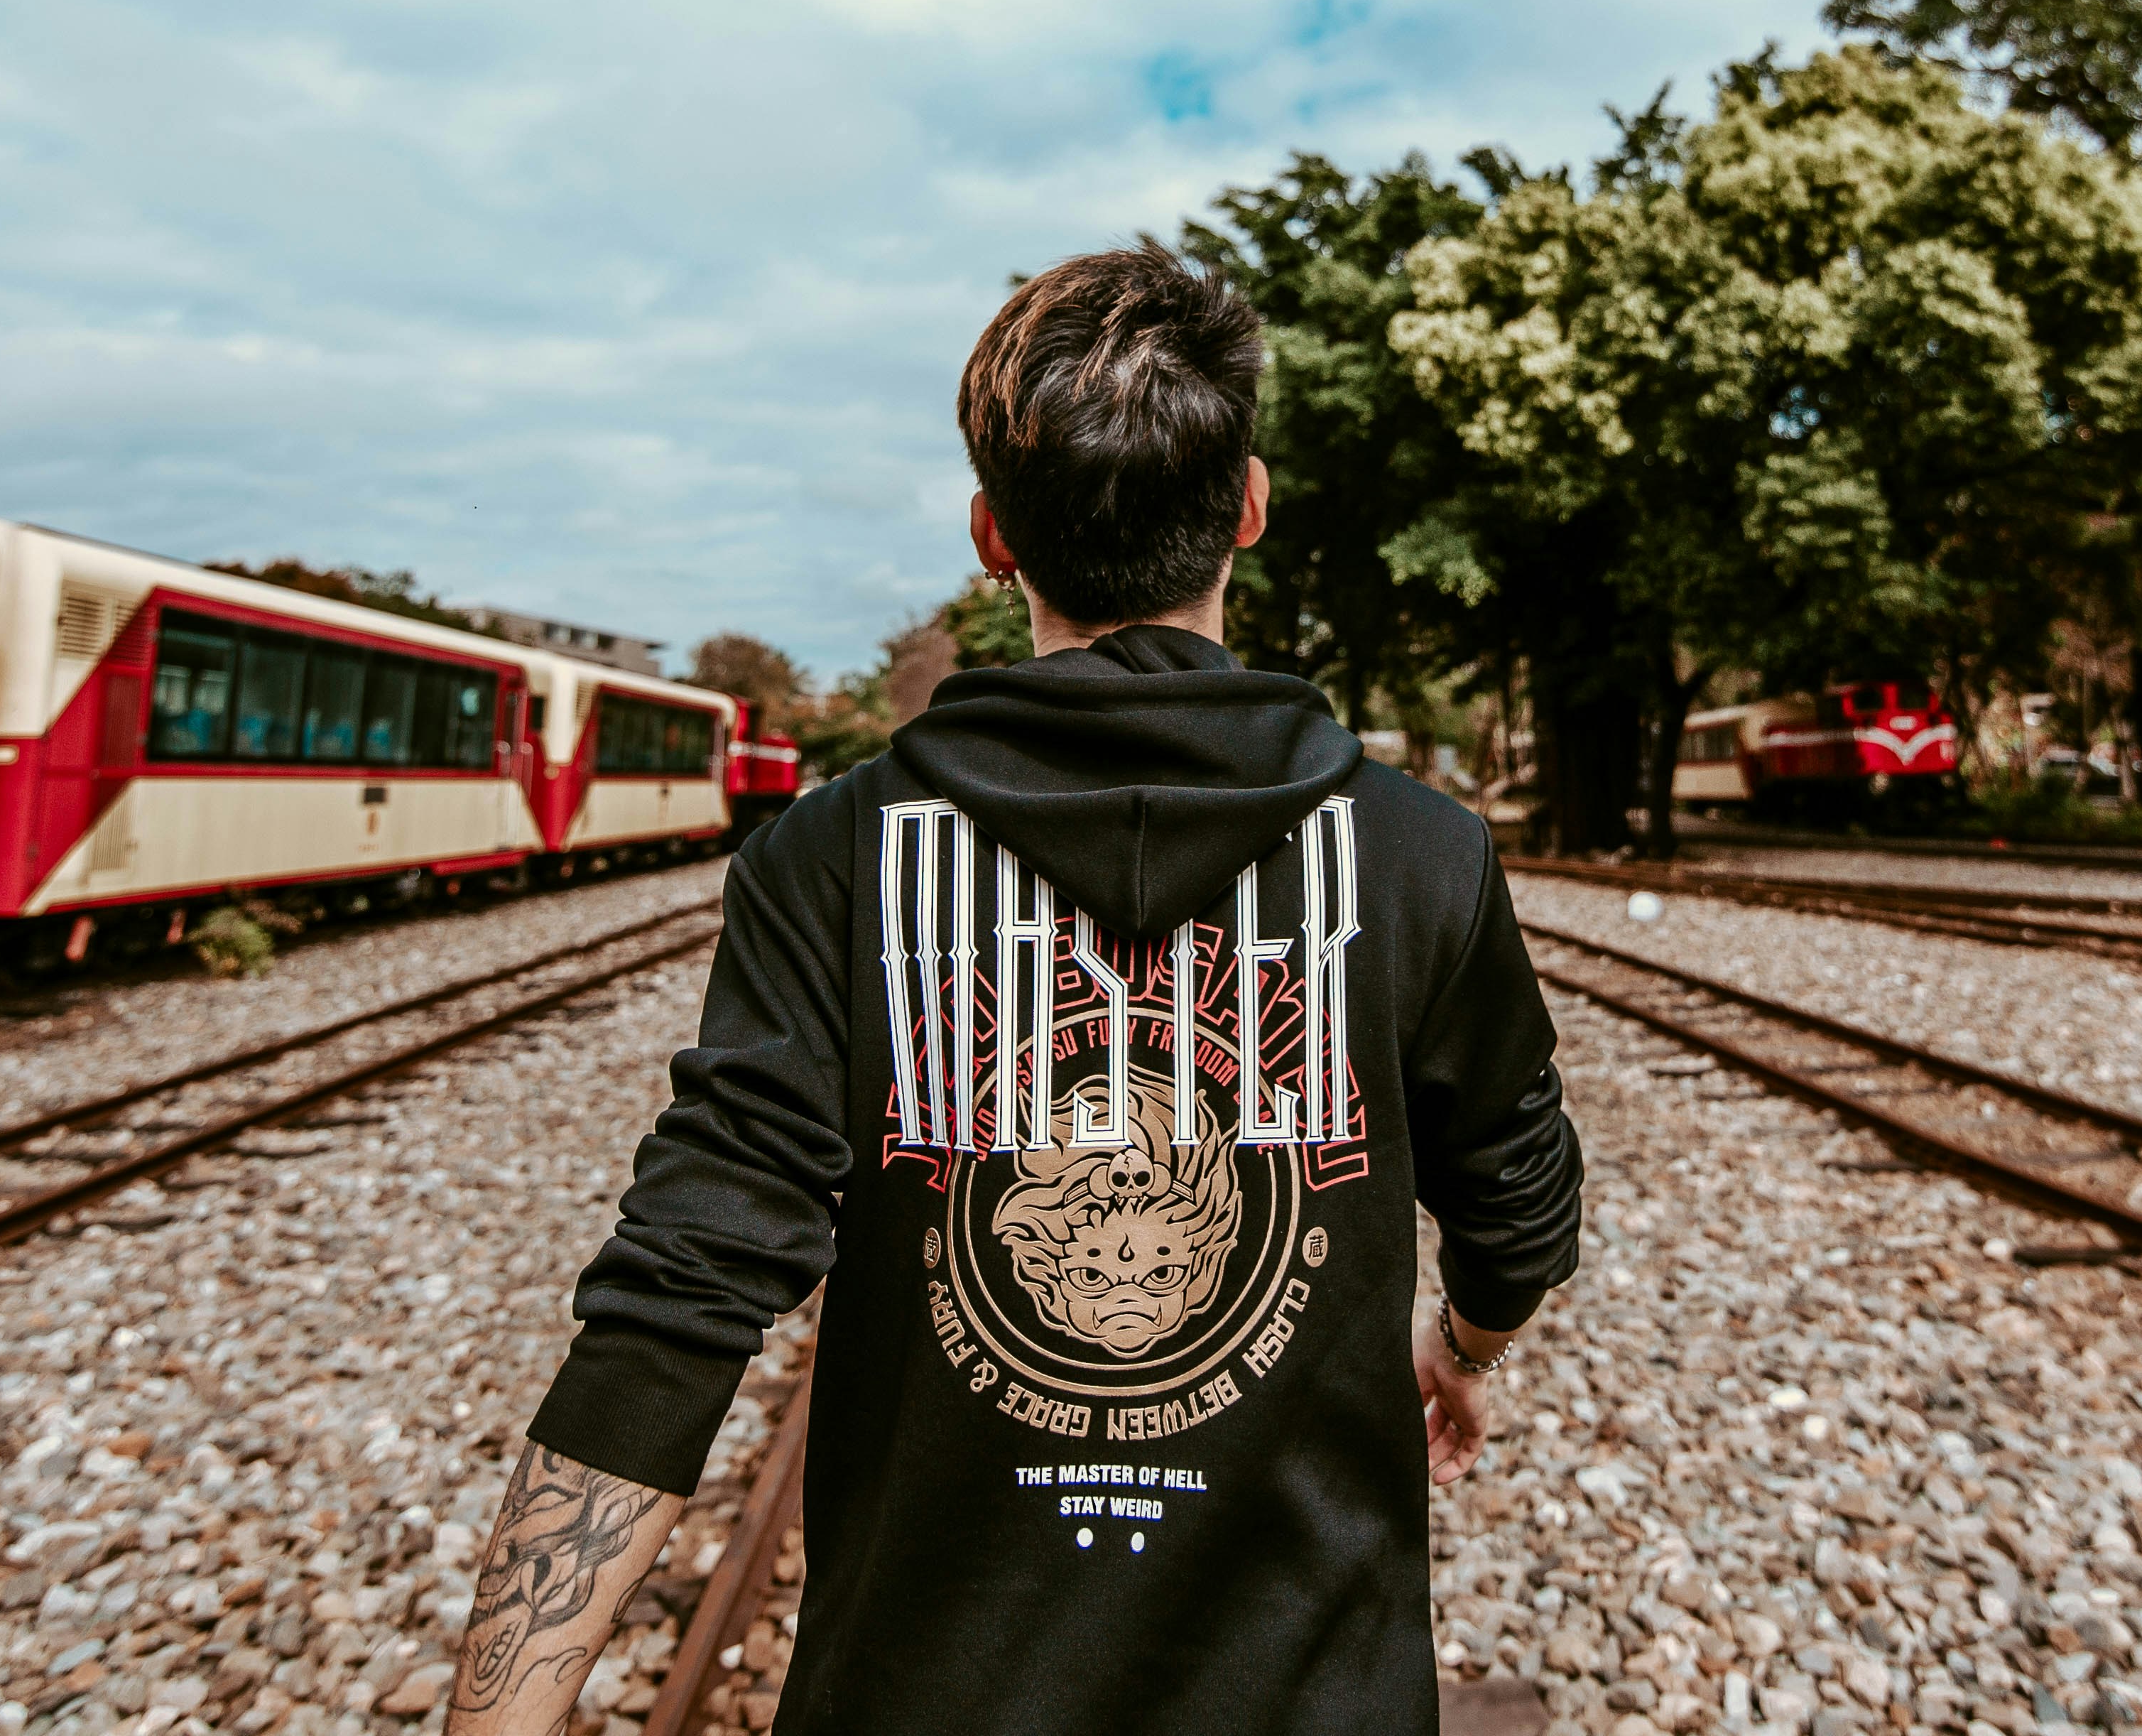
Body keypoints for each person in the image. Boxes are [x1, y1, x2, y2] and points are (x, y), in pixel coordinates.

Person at [443, 244, 1588, 1736]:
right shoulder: (1421, 855)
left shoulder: (831, 855)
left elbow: (681, 1293)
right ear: (1249, 507)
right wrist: (1464, 1348)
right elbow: (1520, 1203)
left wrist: (494, 1722)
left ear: (994, 538)